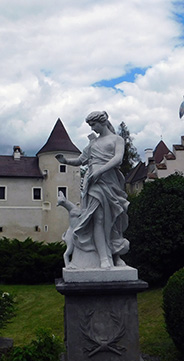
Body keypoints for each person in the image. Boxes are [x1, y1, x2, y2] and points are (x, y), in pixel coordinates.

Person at [56, 111, 129, 269]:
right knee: (98, 219)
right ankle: (103, 258)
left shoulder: (117, 139)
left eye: (93, 125)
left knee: (114, 220)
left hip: (110, 183)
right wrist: (66, 160)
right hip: (94, 184)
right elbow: (81, 160)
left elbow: (118, 158)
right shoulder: (93, 143)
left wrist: (100, 171)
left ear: (102, 122)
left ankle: (115, 256)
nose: (92, 128)